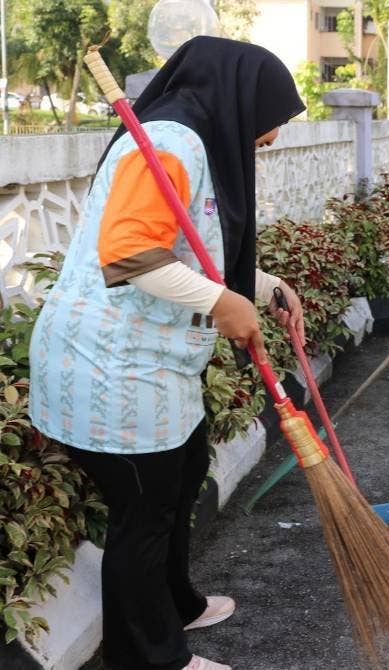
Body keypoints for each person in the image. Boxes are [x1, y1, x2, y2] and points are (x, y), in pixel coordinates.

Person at [28, 37, 306, 670]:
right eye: (272, 121)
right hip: (110, 364)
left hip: (153, 362)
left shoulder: (199, 142)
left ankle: (176, 605)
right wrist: (223, 304)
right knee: (143, 515)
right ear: (243, 100)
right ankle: (150, 658)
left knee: (182, 479)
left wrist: (262, 288)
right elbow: (130, 254)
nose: (271, 139)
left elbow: (193, 245)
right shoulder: (171, 142)